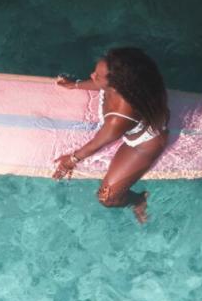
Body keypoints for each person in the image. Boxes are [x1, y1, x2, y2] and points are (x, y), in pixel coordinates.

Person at [52, 47, 170, 224]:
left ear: (117, 84)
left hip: (143, 144)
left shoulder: (119, 118)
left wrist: (70, 161)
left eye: (97, 76)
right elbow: (103, 86)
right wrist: (75, 85)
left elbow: (96, 144)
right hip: (142, 118)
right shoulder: (133, 83)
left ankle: (138, 200)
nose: (92, 75)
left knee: (107, 198)